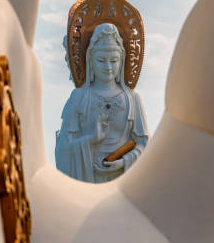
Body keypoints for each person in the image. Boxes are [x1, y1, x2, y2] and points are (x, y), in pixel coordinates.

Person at [55, 23, 148, 183]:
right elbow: (63, 149)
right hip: (88, 180)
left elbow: (144, 145)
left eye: (114, 60)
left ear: (122, 60)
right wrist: (91, 139)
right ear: (90, 60)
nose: (108, 67)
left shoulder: (132, 99)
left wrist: (124, 161)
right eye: (101, 60)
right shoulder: (79, 97)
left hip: (122, 181)